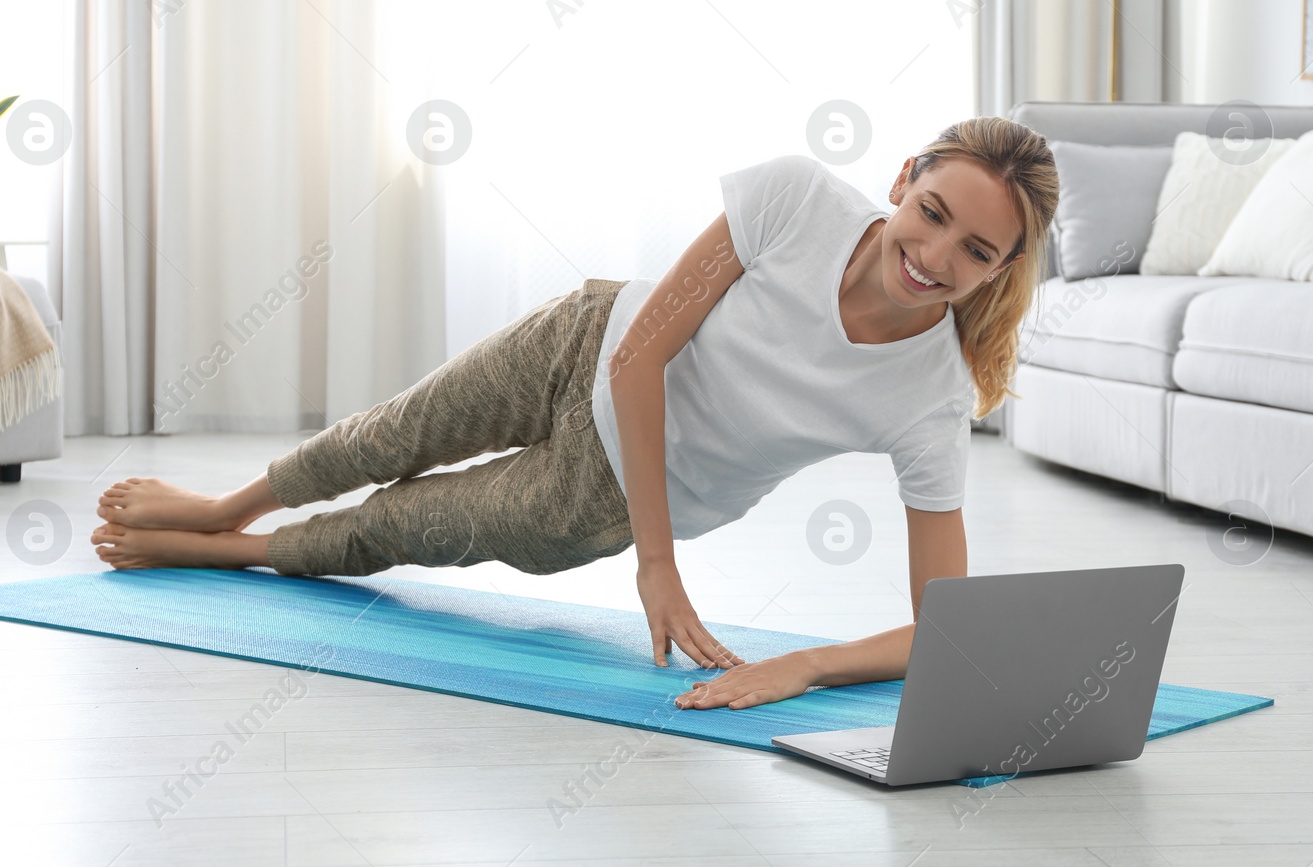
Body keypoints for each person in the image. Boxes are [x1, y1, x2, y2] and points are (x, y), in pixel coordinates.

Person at [91, 116, 1059, 711]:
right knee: (390, 430)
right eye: (931, 210)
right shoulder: (794, 196)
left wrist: (801, 666)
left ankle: (235, 554)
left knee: (407, 523)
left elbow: (946, 626)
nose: (935, 255)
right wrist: (659, 563)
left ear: (1000, 272)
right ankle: (227, 506)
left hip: (610, 489)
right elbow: (643, 352)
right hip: (591, 334)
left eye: (975, 250)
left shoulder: (931, 396)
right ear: (901, 180)